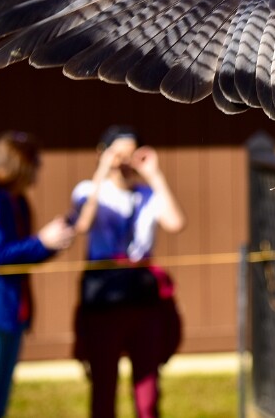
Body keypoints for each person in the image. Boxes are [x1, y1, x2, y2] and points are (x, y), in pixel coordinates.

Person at [0, 131, 75, 418]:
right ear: (21, 163)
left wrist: (52, 243)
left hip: (10, 313)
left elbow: (21, 257)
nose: (38, 171)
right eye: (36, 163)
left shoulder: (16, 201)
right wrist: (41, 241)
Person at [70, 126, 186, 418]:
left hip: (143, 297)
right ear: (103, 152)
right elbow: (82, 225)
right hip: (104, 298)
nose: (124, 161)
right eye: (118, 153)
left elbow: (175, 223)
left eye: (130, 154)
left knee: (147, 387)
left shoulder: (147, 194)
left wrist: (154, 174)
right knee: (104, 385)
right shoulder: (87, 190)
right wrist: (102, 171)